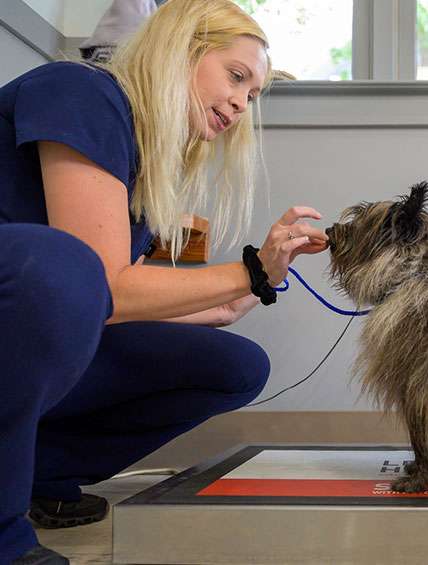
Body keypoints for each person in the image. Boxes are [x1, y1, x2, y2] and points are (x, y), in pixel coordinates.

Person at [0, 0, 328, 563]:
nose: (240, 104)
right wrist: (247, 269)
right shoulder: (83, 92)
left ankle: (36, 470)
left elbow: (104, 304)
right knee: (63, 265)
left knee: (237, 365)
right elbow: (104, 283)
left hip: (34, 343)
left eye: (252, 96)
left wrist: (236, 297)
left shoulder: (141, 166)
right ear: (182, 47)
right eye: (235, 76)